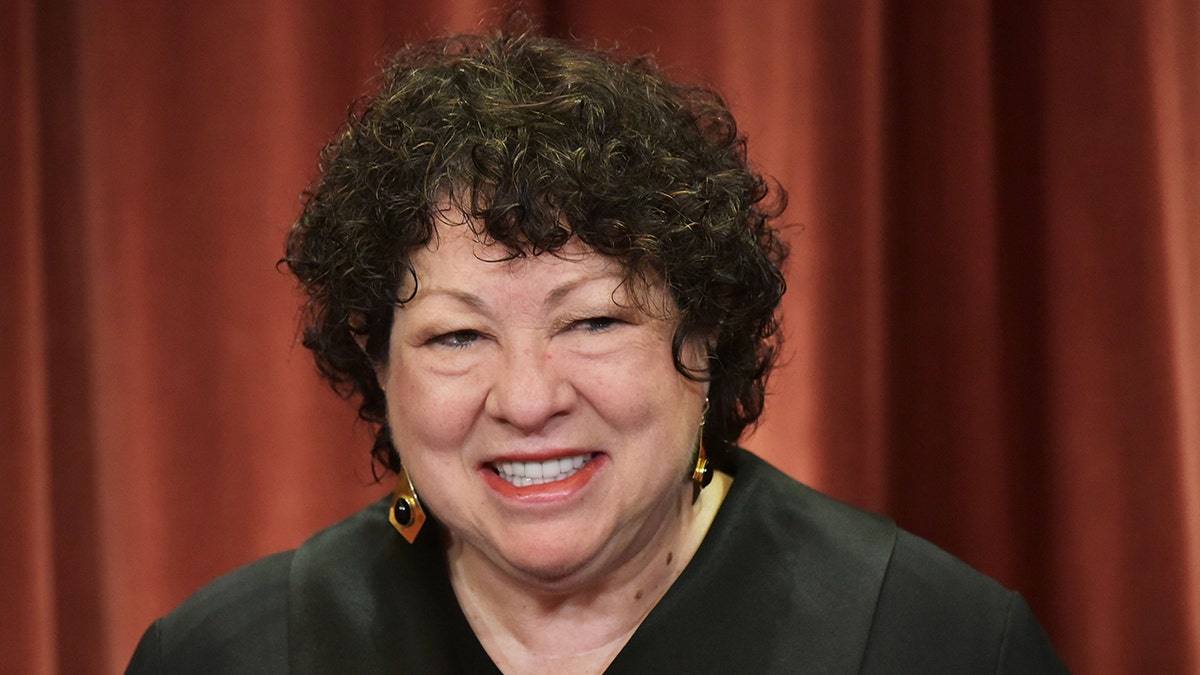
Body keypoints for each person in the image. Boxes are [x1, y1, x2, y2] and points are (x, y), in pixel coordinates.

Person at [126, 28, 1068, 674]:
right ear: (379, 367)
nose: (528, 399)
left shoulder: (937, 643)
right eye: (457, 334)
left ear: (702, 333)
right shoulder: (228, 656)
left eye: (593, 321)